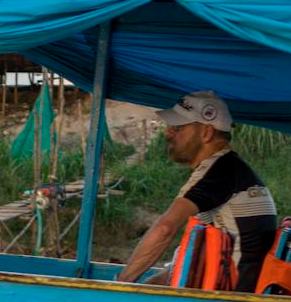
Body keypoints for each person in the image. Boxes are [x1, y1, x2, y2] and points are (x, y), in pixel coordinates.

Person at [116, 92, 278, 288]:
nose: (168, 134)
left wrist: (121, 285)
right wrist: (144, 290)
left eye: (178, 128)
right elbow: (183, 265)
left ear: (207, 133)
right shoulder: (229, 169)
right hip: (230, 295)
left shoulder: (221, 170)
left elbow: (165, 229)